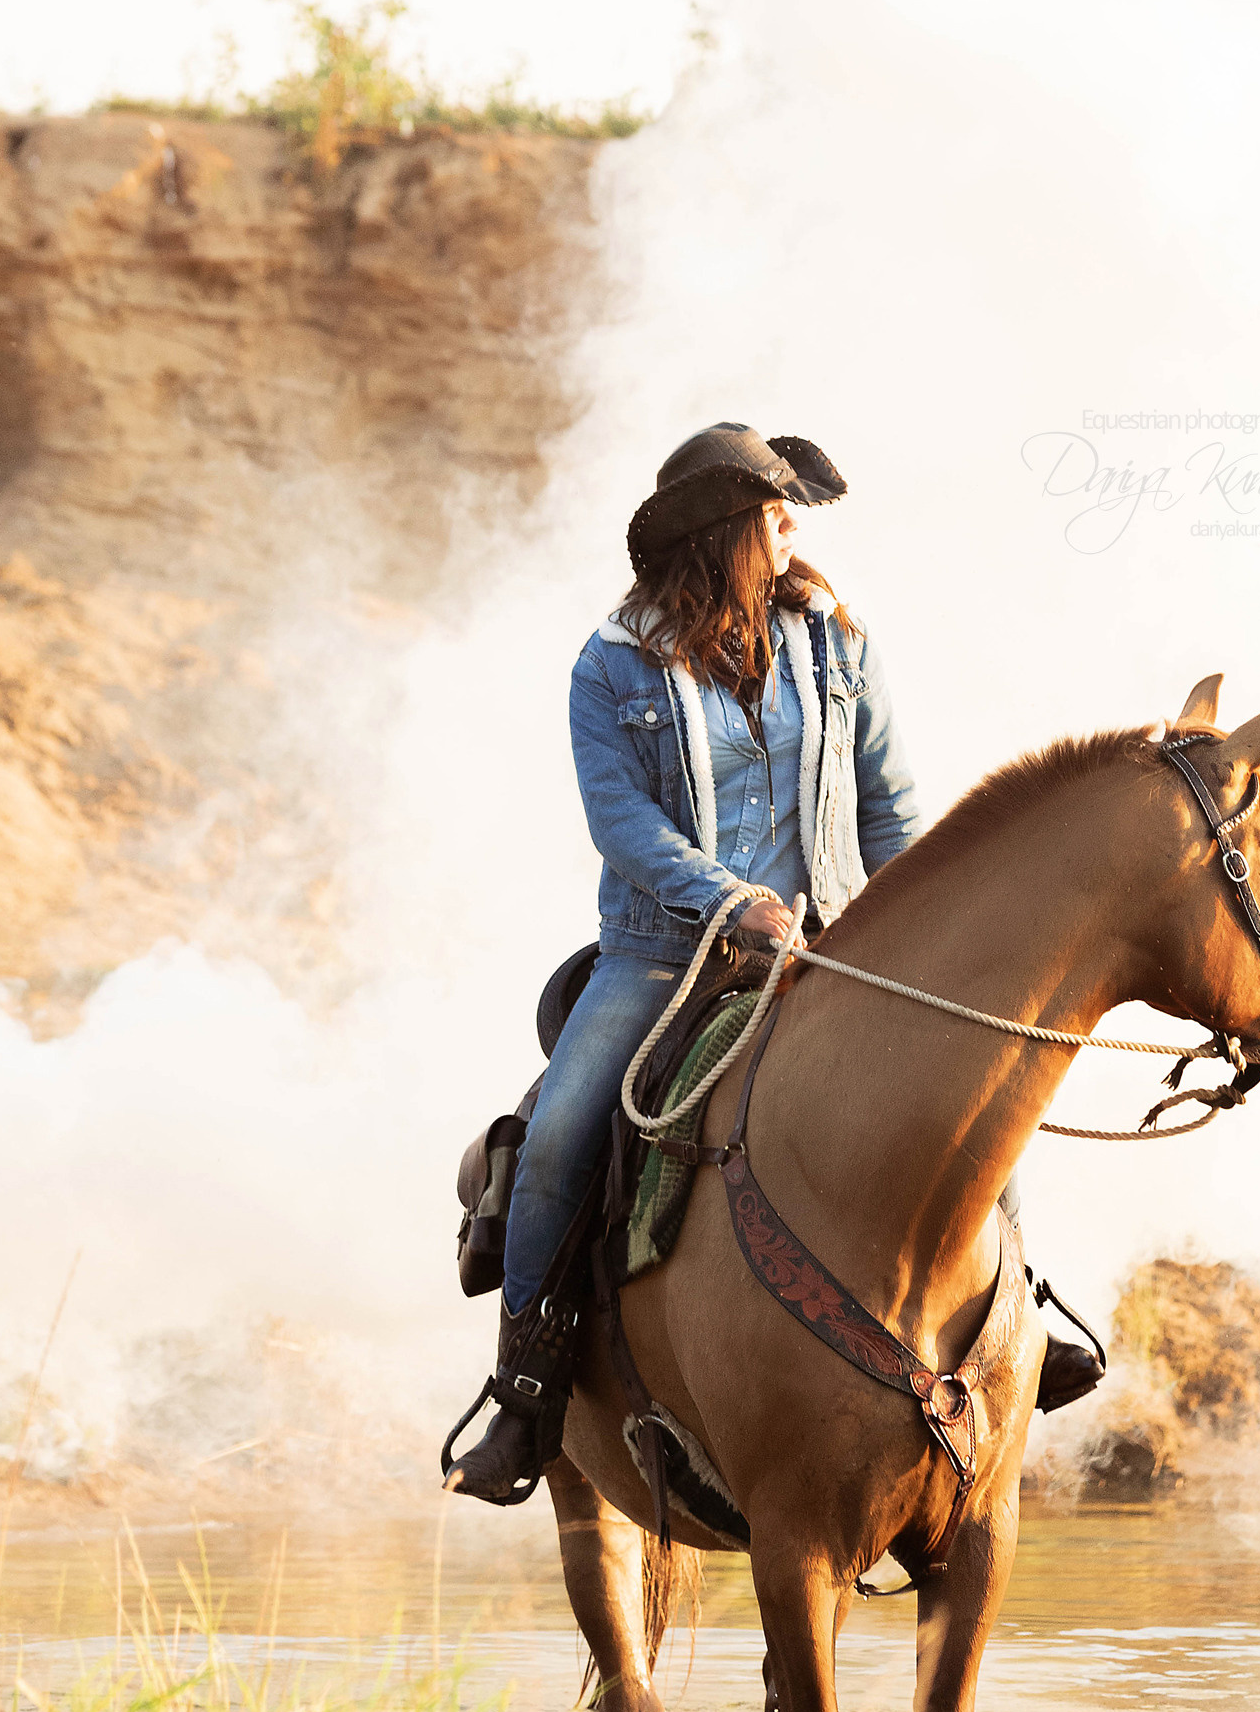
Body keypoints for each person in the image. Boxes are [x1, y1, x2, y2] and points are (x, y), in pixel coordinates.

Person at [447, 419, 1099, 1506]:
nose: (793, 529)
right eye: (775, 511)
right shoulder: (610, 666)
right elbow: (624, 827)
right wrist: (731, 900)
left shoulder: (836, 640)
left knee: (975, 1091)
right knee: (561, 1132)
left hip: (839, 949)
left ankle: (1020, 1318)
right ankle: (526, 1389)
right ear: (724, 531)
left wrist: (926, 937)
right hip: (666, 957)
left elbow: (889, 806)